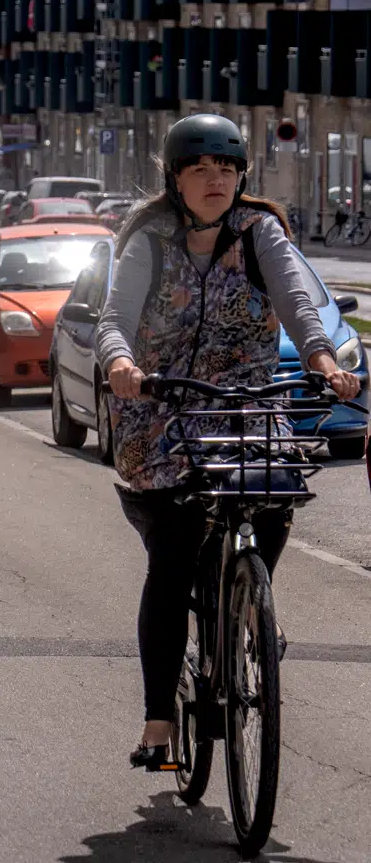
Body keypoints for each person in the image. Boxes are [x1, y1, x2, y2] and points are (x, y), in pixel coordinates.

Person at [96, 113, 360, 771]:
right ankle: (160, 720)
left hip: (245, 403)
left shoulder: (259, 231)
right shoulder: (150, 237)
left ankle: (250, 603)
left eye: (228, 170)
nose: (216, 181)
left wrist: (325, 361)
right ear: (175, 179)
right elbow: (114, 318)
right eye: (200, 170)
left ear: (243, 177)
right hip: (162, 408)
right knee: (175, 555)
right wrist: (123, 366)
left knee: (275, 494)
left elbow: (298, 300)